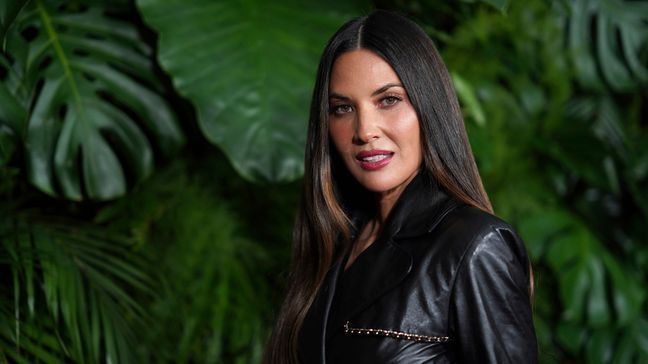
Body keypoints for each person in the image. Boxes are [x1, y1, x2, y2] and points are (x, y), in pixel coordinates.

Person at [263, 10, 537, 364]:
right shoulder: (334, 243)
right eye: (343, 108)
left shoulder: (475, 246)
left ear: (428, 108)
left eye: (388, 100)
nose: (365, 130)